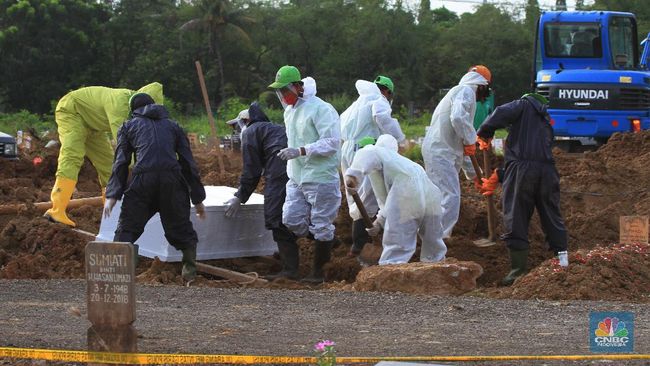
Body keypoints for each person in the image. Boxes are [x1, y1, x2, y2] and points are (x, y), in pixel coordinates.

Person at [103, 93, 206, 282]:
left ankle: (120, 276)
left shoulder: (127, 126)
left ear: (133, 111)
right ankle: (189, 272)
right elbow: (188, 163)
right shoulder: (174, 126)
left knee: (128, 227)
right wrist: (198, 199)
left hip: (143, 181)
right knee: (180, 227)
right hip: (172, 181)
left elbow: (121, 162)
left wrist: (112, 195)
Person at [476, 93, 568, 286]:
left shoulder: (523, 104)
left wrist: (485, 132)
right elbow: (533, 157)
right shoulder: (544, 122)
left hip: (523, 173)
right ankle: (564, 265)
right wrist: (500, 175)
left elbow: (500, 112)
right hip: (548, 173)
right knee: (552, 217)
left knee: (515, 216)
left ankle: (518, 271)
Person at [45, 83, 164, 227]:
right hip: (72, 111)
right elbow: (124, 143)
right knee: (73, 155)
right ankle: (56, 211)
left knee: (110, 167)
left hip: (94, 127)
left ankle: (112, 218)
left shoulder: (136, 110)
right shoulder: (119, 104)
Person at [269, 65, 341, 284]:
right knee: (290, 219)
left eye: (285, 90)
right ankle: (328, 240)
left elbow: (332, 142)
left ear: (298, 87)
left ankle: (319, 273)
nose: (282, 95)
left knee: (321, 222)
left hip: (320, 176)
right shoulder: (289, 111)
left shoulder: (321, 109)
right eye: (279, 91)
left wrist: (301, 151)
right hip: (297, 176)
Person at [223, 102, 299, 280]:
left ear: (245, 121)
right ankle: (328, 241)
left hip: (279, 175)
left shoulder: (251, 131)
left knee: (276, 218)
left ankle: (290, 271)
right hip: (297, 174)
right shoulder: (273, 128)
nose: (236, 131)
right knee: (297, 214)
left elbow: (252, 170)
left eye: (236, 126)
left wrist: (239, 197)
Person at [345, 135, 446, 265]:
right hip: (431, 197)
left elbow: (366, 154)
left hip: (407, 191)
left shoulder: (375, 151)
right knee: (432, 235)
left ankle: (391, 267)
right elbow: (389, 202)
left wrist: (352, 177)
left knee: (399, 235)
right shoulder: (406, 164)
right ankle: (436, 263)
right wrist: (379, 223)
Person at [421, 67, 491, 238]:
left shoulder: (460, 92)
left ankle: (430, 237)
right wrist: (470, 139)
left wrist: (475, 175)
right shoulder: (466, 91)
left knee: (440, 196)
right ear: (482, 84)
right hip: (440, 151)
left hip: (441, 150)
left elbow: (464, 149)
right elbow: (458, 118)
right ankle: (439, 240)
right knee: (449, 196)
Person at [340, 76, 406, 257]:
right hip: (364, 150)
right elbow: (383, 117)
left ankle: (360, 242)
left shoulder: (355, 105)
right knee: (368, 196)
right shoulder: (378, 100)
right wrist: (400, 140)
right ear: (387, 91)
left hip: (347, 150)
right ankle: (361, 246)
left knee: (355, 197)